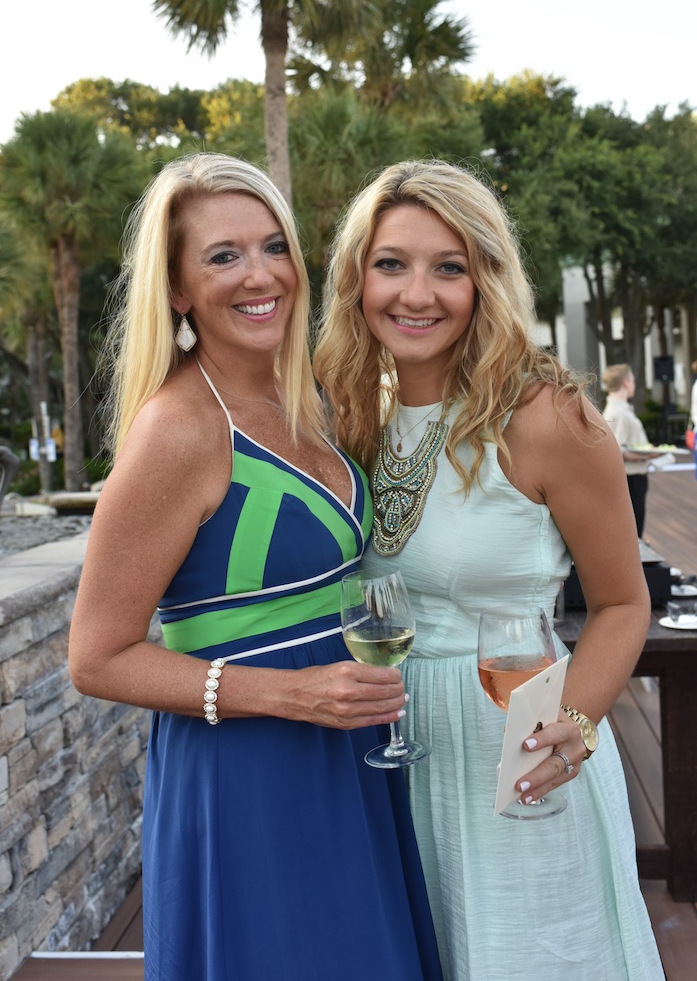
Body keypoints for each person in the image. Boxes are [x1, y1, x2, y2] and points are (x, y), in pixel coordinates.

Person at [68, 153, 442, 981]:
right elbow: (95, 657)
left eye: (273, 246)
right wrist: (290, 695)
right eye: (222, 256)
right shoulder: (177, 429)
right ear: (175, 290)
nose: (258, 275)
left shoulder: (312, 397)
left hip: (347, 752)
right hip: (249, 772)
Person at [313, 159, 663, 980]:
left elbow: (620, 602)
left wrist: (572, 727)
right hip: (384, 755)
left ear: (486, 282)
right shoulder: (347, 410)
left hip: (513, 747)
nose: (416, 293)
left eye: (449, 268)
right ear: (356, 279)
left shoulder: (548, 416)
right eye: (390, 264)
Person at [601, 363, 651, 537]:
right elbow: (617, 452)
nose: (634, 384)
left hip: (633, 478)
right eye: (633, 380)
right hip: (631, 479)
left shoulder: (619, 410)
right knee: (634, 533)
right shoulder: (618, 413)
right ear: (626, 383)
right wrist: (649, 454)